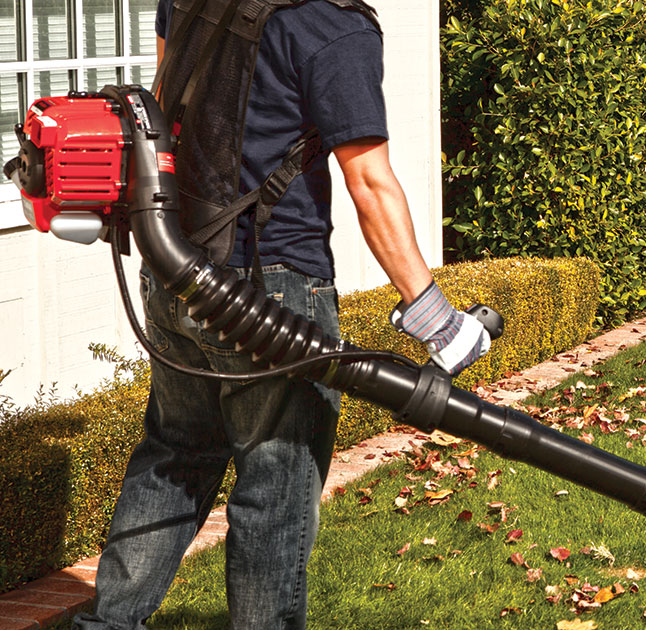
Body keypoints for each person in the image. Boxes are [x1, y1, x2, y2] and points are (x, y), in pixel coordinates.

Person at [72, 1, 489, 627]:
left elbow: (159, 113)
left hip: (178, 272)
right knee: (276, 489)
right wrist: (435, 317)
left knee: (174, 455)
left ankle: (103, 625)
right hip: (271, 290)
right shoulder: (333, 26)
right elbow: (369, 181)